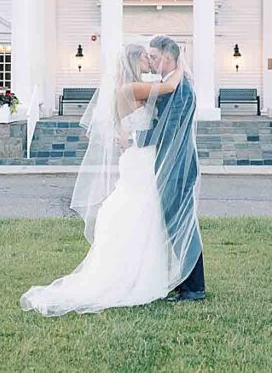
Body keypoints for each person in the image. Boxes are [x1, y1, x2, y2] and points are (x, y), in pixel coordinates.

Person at [19, 43, 185, 316]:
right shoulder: (130, 89)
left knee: (141, 212)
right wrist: (180, 66)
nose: (151, 61)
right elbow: (168, 88)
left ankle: (140, 271)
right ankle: (132, 275)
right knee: (141, 211)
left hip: (136, 157)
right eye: (146, 57)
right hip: (139, 160)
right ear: (134, 60)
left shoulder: (128, 86)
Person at [139, 34, 205, 302]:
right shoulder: (170, 85)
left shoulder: (181, 89)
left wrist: (137, 139)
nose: (152, 62)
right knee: (174, 224)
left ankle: (193, 287)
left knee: (182, 224)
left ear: (168, 58)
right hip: (169, 163)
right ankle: (184, 281)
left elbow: (169, 129)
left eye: (154, 57)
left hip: (178, 165)